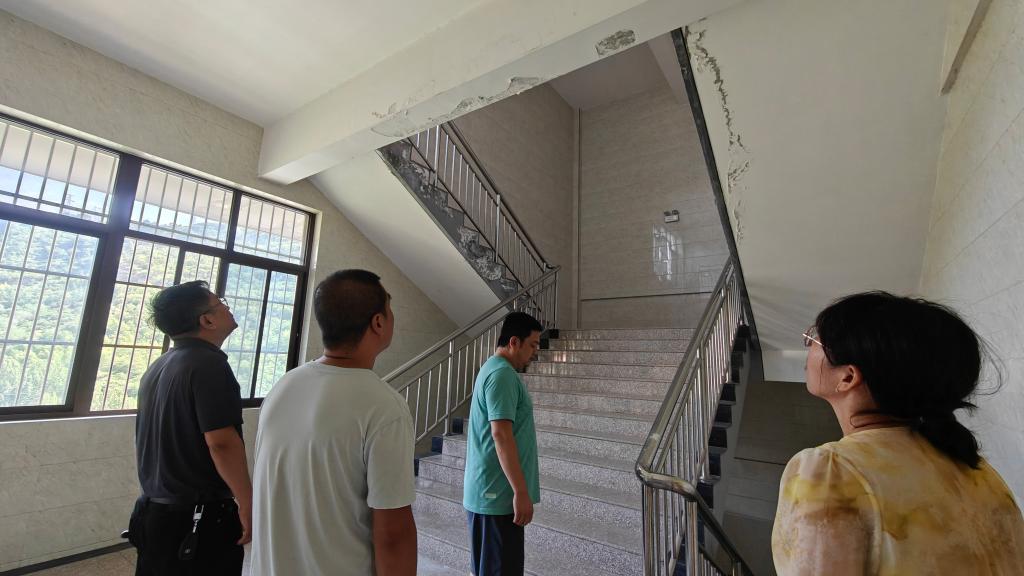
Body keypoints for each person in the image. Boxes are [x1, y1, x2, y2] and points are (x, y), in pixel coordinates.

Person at [772, 291, 1024, 575]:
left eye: (815, 340)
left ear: (848, 377)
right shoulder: (978, 472)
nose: (808, 346)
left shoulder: (832, 472)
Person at [250, 269, 416, 576]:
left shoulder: (284, 386)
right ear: (378, 323)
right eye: (389, 309)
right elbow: (393, 534)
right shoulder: (384, 406)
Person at [129, 280, 251, 575]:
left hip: (154, 513)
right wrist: (248, 502)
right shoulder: (208, 364)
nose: (228, 307)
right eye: (221, 303)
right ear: (207, 320)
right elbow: (221, 442)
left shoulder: (160, 365)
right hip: (196, 518)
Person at [463, 311, 543, 576]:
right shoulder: (502, 375)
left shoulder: (494, 369)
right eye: (532, 345)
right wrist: (520, 492)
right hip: (496, 496)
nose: (535, 352)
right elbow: (501, 435)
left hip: (492, 494)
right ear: (514, 342)